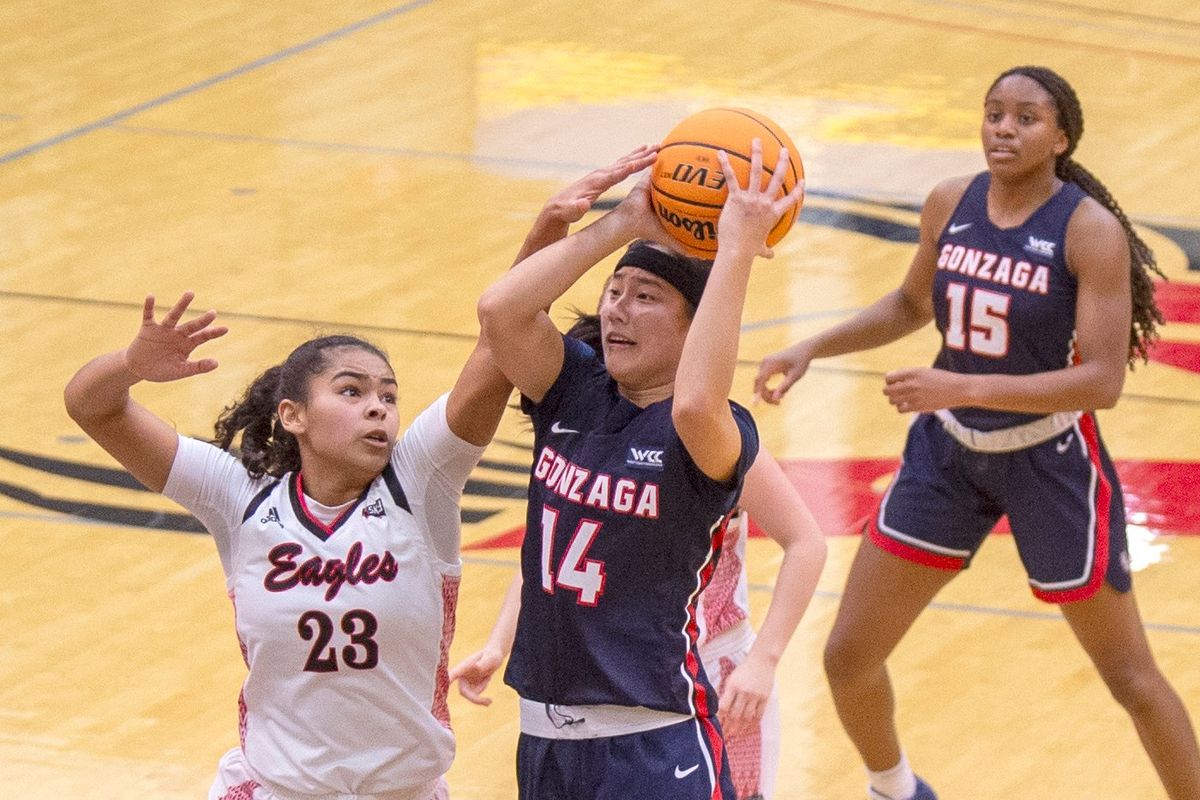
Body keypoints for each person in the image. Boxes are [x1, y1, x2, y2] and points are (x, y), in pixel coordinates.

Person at [754, 65, 1200, 800]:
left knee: (1130, 677)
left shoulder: (1089, 231)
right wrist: (812, 346)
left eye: (1026, 118)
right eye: (994, 113)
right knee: (848, 654)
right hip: (949, 456)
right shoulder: (949, 202)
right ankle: (896, 789)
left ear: (1060, 138)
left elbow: (1103, 383)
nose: (1004, 128)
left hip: (1050, 459)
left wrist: (962, 385)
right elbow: (908, 304)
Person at [453, 183, 826, 800]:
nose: (617, 310)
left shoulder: (702, 430)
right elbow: (500, 312)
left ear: (691, 327)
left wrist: (734, 251)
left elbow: (699, 401)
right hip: (544, 737)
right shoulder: (570, 390)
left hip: (652, 737)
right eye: (613, 293)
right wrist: (621, 222)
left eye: (645, 297)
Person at [64, 294, 514, 800]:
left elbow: (501, 339)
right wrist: (129, 365)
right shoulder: (238, 497)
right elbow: (91, 407)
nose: (377, 408)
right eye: (351, 391)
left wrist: (547, 234)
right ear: (293, 415)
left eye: (389, 398)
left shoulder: (420, 486)